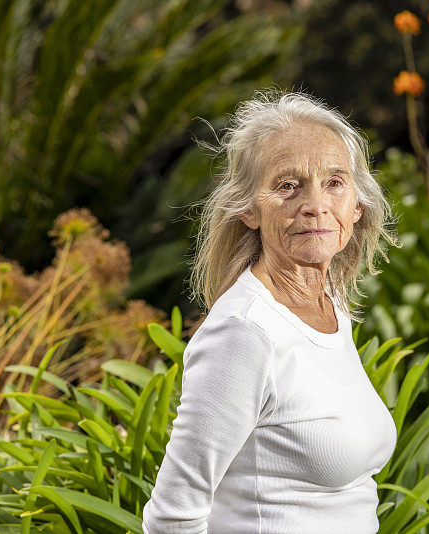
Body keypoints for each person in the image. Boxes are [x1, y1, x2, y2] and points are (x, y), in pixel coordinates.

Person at [141, 87, 401, 533]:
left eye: (334, 182)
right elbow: (172, 515)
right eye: (287, 186)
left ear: (356, 205)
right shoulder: (245, 333)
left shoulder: (327, 302)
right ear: (248, 209)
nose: (315, 205)